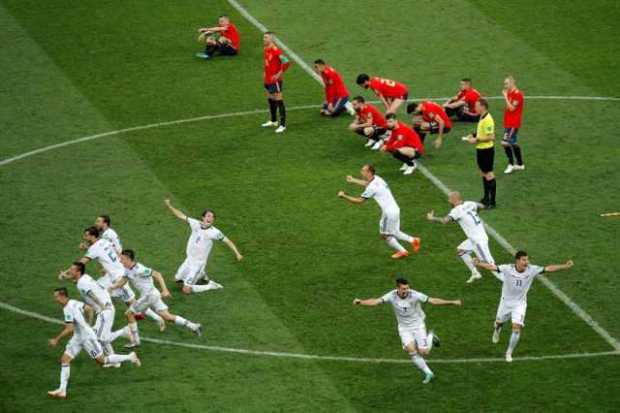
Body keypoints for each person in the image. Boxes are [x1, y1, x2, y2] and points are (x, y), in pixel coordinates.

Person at [68, 226, 165, 345]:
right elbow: (110, 253)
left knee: (131, 304)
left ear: (92, 236)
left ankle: (155, 321)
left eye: (86, 235)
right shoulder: (104, 241)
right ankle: (100, 315)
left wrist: (67, 273)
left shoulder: (94, 248)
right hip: (111, 276)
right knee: (96, 289)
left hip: (118, 277)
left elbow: (81, 263)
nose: (84, 237)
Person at [353, 278, 462, 384]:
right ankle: (429, 373)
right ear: (398, 288)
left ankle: (431, 336)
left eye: (407, 288)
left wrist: (451, 302)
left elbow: (433, 300)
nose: (406, 291)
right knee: (411, 350)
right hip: (404, 328)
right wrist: (361, 302)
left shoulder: (415, 295)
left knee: (424, 352)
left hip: (418, 325)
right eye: (404, 289)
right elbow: (376, 301)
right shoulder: (391, 295)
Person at [475, 251, 574, 362]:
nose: (526, 262)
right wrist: (479, 264)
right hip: (505, 302)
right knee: (499, 323)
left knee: (516, 329)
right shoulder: (507, 268)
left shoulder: (532, 269)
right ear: (517, 261)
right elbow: (493, 267)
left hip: (520, 304)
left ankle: (509, 352)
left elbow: (548, 268)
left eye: (527, 259)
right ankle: (497, 330)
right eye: (524, 260)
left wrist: (565, 266)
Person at [47, 288, 140, 399]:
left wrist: (56, 339)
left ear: (62, 296)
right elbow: (89, 309)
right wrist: (88, 324)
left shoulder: (68, 308)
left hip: (87, 338)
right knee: (65, 360)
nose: (54, 299)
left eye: (56, 296)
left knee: (102, 361)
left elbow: (70, 328)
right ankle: (62, 390)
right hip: (78, 337)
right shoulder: (74, 302)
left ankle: (130, 357)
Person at [109, 249, 203, 346]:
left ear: (129, 259)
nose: (120, 261)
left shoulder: (139, 269)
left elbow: (157, 275)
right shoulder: (127, 269)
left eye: (122, 259)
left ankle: (135, 341)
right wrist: (111, 287)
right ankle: (193, 326)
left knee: (129, 314)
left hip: (149, 296)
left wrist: (165, 290)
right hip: (152, 295)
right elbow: (123, 281)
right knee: (167, 316)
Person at [337, 164, 421, 259]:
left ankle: (404, 251)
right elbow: (367, 183)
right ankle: (413, 241)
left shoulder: (372, 187)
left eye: (363, 170)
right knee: (395, 232)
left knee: (385, 235)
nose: (361, 172)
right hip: (394, 209)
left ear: (369, 172)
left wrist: (344, 196)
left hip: (389, 213)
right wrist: (353, 180)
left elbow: (359, 201)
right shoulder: (377, 178)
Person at [164, 199, 243, 294]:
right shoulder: (195, 224)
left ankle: (211, 286)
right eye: (209, 216)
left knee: (186, 290)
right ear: (203, 217)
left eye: (213, 217)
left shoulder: (215, 232)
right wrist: (169, 206)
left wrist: (237, 253)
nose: (211, 218)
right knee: (177, 280)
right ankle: (202, 275)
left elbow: (228, 241)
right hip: (189, 259)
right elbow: (181, 215)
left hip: (198, 263)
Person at [58, 262, 122, 366]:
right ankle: (114, 359)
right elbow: (78, 283)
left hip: (104, 310)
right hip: (106, 308)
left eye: (72, 269)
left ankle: (125, 333)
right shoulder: (84, 278)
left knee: (98, 337)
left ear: (78, 272)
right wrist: (65, 277)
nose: (70, 270)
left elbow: (91, 294)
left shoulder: (82, 283)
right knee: (101, 337)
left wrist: (102, 306)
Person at [426, 192, 494, 283]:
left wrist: (432, 218)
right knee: (461, 250)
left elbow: (444, 221)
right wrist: (474, 213)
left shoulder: (456, 211)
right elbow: (481, 206)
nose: (448, 201)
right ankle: (475, 273)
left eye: (449, 199)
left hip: (478, 240)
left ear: (454, 200)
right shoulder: (469, 203)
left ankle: (507, 278)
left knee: (490, 265)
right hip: (475, 238)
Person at [463, 99, 497, 208]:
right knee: (483, 173)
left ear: (483, 106)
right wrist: (473, 135)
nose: (475, 108)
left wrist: (476, 140)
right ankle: (486, 197)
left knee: (489, 174)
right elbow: (481, 132)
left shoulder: (488, 119)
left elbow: (491, 137)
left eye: (477, 106)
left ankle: (492, 202)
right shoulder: (482, 117)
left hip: (487, 150)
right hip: (481, 150)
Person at [261, 32, 290, 133]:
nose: (264, 39)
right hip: (268, 79)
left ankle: (282, 125)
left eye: (266, 37)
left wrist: (278, 74)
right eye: (263, 37)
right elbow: (267, 62)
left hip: (275, 80)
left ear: (271, 39)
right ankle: (273, 120)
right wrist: (265, 72)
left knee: (279, 100)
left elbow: (286, 62)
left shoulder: (276, 50)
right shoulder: (266, 49)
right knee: (270, 98)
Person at [501, 76, 525, 174]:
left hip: (513, 123)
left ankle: (511, 164)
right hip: (508, 122)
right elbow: (508, 107)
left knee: (504, 143)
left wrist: (505, 96)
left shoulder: (518, 94)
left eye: (506, 83)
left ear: (512, 83)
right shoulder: (510, 93)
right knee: (513, 143)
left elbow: (511, 108)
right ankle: (520, 164)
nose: (505, 86)